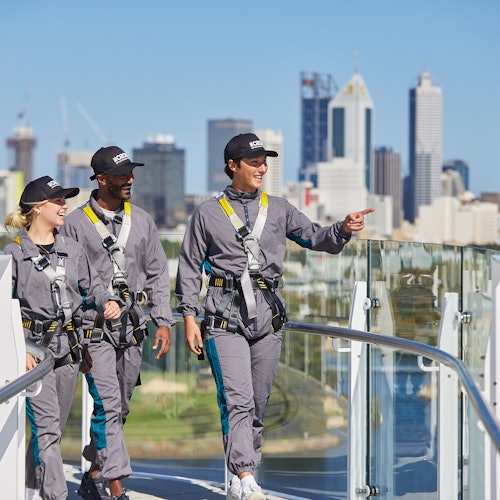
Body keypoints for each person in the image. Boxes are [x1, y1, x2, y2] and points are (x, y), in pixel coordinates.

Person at [175, 133, 374, 500]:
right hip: (224, 318)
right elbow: (188, 268)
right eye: (254, 162)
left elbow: (316, 237)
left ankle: (239, 477)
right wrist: (188, 316)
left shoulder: (279, 208)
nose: (262, 167)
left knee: (257, 403)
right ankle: (246, 475)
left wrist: (343, 228)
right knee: (237, 398)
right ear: (232, 166)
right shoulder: (207, 213)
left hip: (267, 320)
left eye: (264, 162)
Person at [61, 146, 175, 500]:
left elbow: (157, 273)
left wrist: (163, 321)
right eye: (122, 174)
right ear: (101, 179)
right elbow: (67, 283)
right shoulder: (75, 225)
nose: (130, 179)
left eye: (131, 173)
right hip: (94, 331)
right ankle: (116, 487)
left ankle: (94, 470)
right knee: (108, 404)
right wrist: (73, 339)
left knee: (119, 406)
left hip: (134, 329)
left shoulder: (142, 220)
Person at [3, 176, 122, 500]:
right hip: (33, 356)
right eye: (58, 201)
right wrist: (18, 351)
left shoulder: (72, 249)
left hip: (68, 351)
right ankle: (56, 495)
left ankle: (30, 489)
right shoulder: (13, 255)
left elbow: (94, 286)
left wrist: (108, 302)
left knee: (50, 431)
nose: (64, 206)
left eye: (65, 200)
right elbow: (2, 309)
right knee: (47, 428)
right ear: (38, 209)